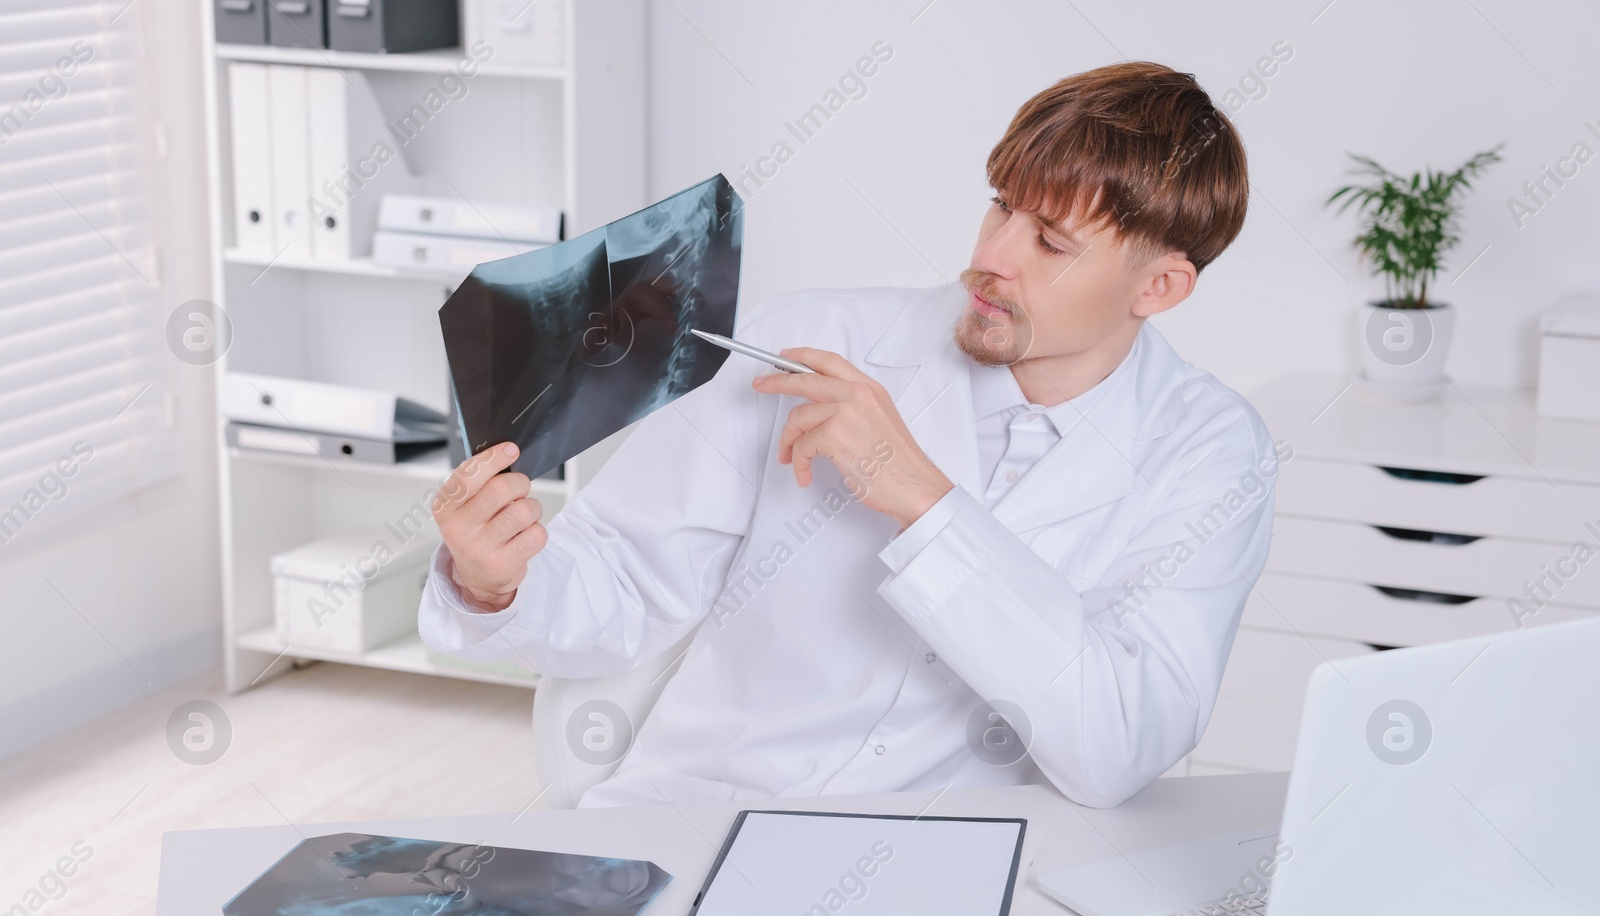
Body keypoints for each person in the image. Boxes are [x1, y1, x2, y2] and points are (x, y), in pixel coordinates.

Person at [420, 61, 1280, 809]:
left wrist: (924, 502)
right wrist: (493, 581)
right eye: (1001, 209)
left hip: (954, 878)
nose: (994, 256)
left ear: (1159, 287)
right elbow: (624, 576)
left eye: (1051, 241)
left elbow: (1118, 747)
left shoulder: (1209, 452)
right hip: (697, 819)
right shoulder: (810, 341)